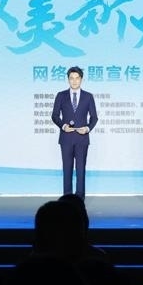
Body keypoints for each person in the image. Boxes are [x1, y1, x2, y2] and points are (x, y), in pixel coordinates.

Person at [51, 66, 98, 199]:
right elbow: (55, 115)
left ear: (81, 79)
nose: (74, 81)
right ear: (68, 79)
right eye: (71, 78)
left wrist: (87, 128)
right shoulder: (61, 95)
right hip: (66, 138)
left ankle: (79, 200)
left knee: (81, 170)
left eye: (77, 78)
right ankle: (67, 200)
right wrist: (63, 126)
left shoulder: (88, 96)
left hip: (82, 139)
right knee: (67, 170)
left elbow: (94, 117)